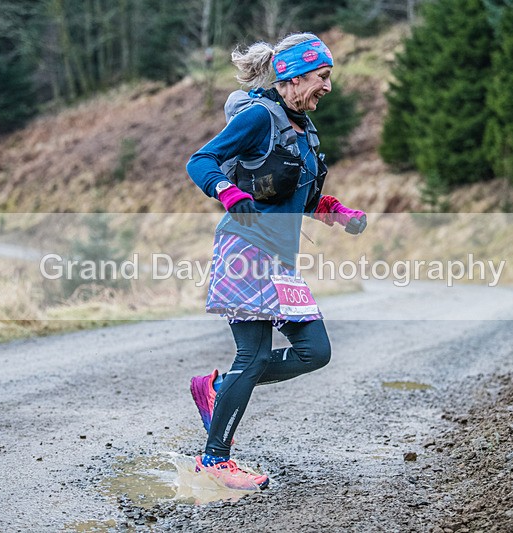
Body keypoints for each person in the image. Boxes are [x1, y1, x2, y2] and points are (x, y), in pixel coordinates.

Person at [185, 32, 367, 490]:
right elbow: (200, 160)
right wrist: (227, 191)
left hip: (280, 261)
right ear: (294, 75)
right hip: (245, 250)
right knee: (255, 353)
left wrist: (337, 212)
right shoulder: (260, 118)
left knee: (315, 352)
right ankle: (215, 460)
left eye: (329, 77)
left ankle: (219, 389)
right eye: (322, 76)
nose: (328, 86)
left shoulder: (304, 129)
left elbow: (300, 194)